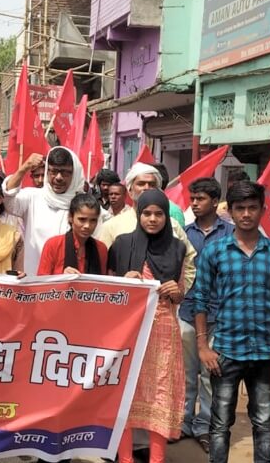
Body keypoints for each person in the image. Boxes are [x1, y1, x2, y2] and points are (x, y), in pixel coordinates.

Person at [194, 181, 270, 463]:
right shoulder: (215, 252)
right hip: (225, 351)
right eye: (240, 208)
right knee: (220, 426)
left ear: (262, 210)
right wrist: (203, 347)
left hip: (265, 352)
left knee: (264, 424)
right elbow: (200, 298)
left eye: (252, 208)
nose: (246, 214)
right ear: (230, 213)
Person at [107, 190, 193, 463]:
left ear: (167, 216)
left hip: (163, 331)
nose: (153, 219)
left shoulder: (177, 248)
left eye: (159, 214)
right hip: (127, 331)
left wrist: (176, 291)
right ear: (138, 214)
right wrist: (125, 280)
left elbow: (179, 295)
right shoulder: (121, 245)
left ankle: (157, 459)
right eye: (147, 213)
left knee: (160, 395)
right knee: (125, 394)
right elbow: (108, 292)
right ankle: (125, 458)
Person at [178, 177, 233, 452]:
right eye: (192, 199)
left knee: (211, 375)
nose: (194, 204)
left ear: (214, 201)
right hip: (187, 311)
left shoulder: (231, 234)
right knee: (186, 373)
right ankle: (183, 422)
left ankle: (205, 426)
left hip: (219, 315)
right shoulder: (184, 233)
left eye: (200, 199)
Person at [95, 162, 196, 290]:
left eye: (152, 185)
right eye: (141, 184)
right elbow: (103, 268)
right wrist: (120, 285)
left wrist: (178, 293)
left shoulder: (173, 225)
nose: (146, 188)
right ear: (130, 190)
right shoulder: (111, 226)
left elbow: (189, 264)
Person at [2, 148, 87, 276]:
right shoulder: (32, 197)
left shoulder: (85, 206)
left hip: (72, 285)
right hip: (36, 284)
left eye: (65, 173)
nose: (58, 178)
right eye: (53, 171)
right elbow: (8, 200)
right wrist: (24, 168)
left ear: (75, 174)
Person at [37, 193, 107, 275]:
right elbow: (42, 281)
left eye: (93, 220)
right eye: (82, 219)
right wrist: (62, 277)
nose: (87, 226)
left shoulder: (101, 248)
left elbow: (102, 282)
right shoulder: (53, 245)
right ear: (70, 217)